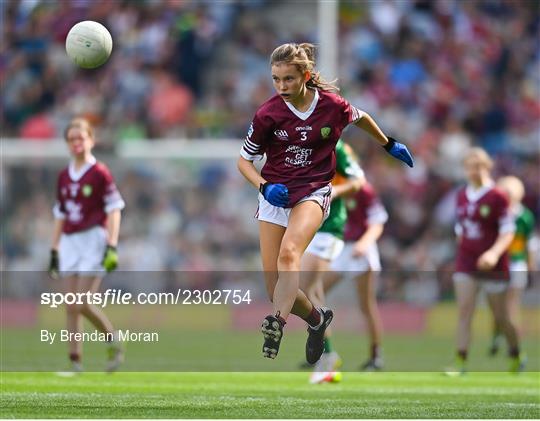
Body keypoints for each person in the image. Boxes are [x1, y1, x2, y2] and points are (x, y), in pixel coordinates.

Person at [236, 42, 413, 362]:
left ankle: (276, 322)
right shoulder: (267, 114)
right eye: (276, 79)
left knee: (289, 255)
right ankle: (317, 321)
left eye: (288, 79)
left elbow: (361, 117)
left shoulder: (332, 105)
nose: (281, 86)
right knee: (273, 285)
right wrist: (264, 187)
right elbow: (244, 162)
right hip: (275, 193)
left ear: (304, 75)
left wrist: (389, 144)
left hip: (313, 191)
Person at [48, 117, 125, 373]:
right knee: (70, 305)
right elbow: (60, 214)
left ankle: (113, 339)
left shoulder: (100, 172)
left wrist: (112, 246)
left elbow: (114, 210)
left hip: (93, 239)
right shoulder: (64, 176)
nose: (76, 143)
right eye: (71, 139)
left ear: (91, 140)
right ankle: (75, 362)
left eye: (81, 138)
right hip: (70, 240)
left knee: (82, 302)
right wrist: (54, 249)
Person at [448, 147, 525, 375]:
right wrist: (460, 234)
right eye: (470, 167)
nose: (475, 171)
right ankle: (460, 362)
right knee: (464, 310)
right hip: (467, 261)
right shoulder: (461, 194)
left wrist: (493, 253)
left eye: (479, 166)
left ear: (487, 167)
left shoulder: (498, 196)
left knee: (501, 316)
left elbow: (508, 231)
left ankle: (516, 352)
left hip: (493, 266)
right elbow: (461, 223)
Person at [299, 140, 365, 382]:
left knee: (303, 289)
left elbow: (359, 181)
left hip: (329, 228)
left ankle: (327, 356)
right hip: (307, 226)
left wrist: (335, 191)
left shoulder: (337, 149)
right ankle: (328, 356)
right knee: (314, 293)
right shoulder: (299, 143)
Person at [488, 176, 536, 356]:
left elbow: (530, 243)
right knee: (497, 311)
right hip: (497, 267)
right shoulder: (496, 213)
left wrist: (530, 266)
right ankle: (498, 335)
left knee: (510, 310)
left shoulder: (525, 216)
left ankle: (515, 348)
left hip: (516, 265)